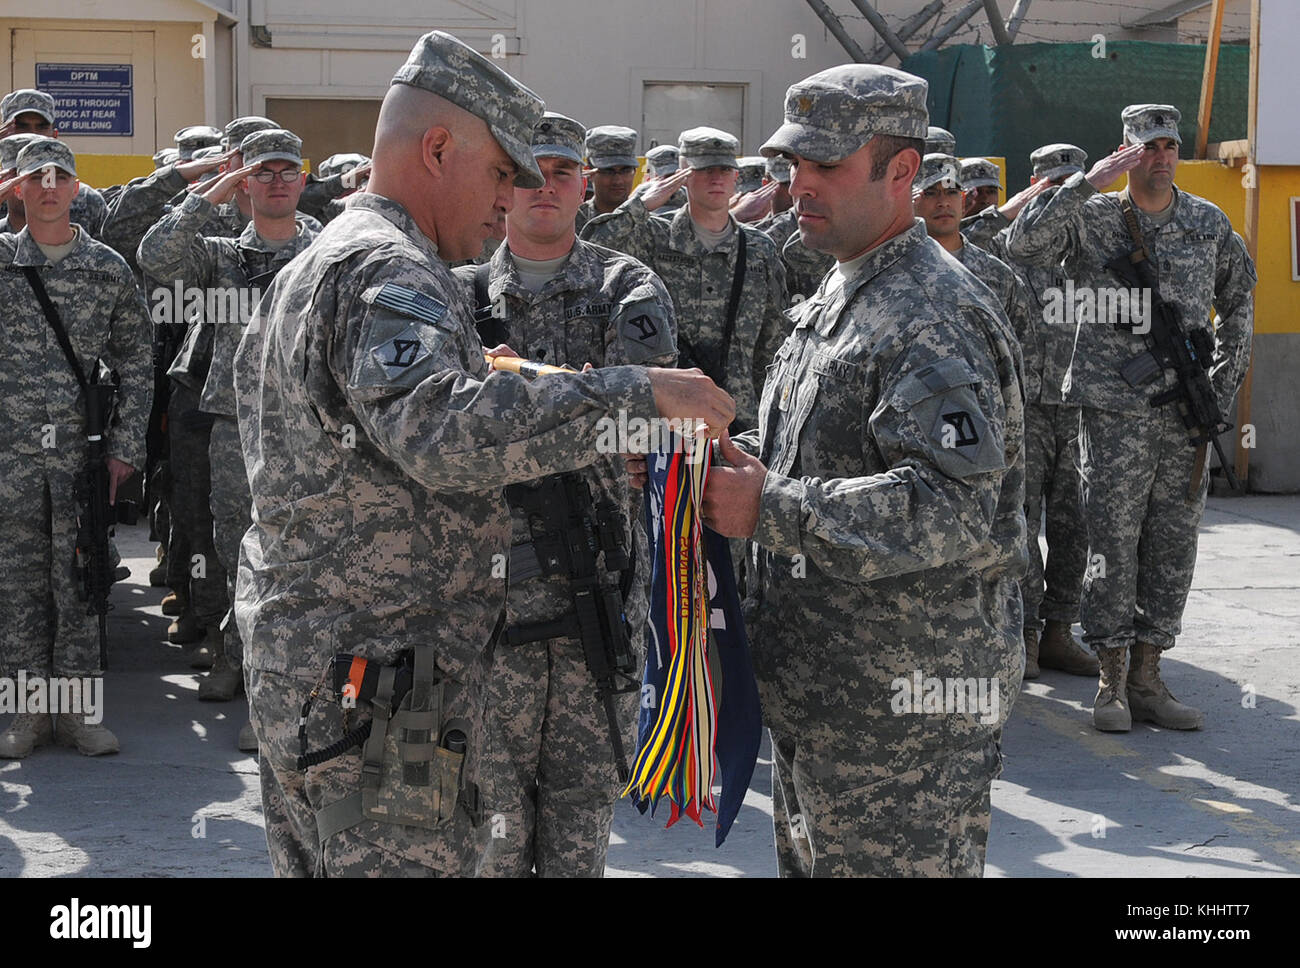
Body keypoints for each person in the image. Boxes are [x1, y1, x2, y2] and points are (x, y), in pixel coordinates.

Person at [232, 30, 732, 877]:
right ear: (436, 149)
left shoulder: (319, 262)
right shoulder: (385, 270)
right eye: (502, 173)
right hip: (387, 690)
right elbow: (442, 430)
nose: (510, 201)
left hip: (321, 669)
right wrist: (640, 393)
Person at [693, 64, 1026, 877]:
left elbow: (953, 508)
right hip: (825, 703)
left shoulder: (930, 313)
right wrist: (722, 468)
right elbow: (814, 459)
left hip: (902, 726)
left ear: (902, 171)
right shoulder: (843, 293)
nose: (798, 184)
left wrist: (768, 507)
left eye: (828, 165)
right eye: (792, 164)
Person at [452, 112, 676, 877]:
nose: (546, 187)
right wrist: (582, 400)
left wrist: (510, 386)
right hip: (487, 591)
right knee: (490, 813)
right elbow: (436, 431)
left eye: (564, 172)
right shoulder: (457, 291)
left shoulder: (629, 286)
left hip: (595, 584)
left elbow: (642, 419)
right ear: (505, 187)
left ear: (587, 186)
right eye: (530, 171)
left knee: (581, 816)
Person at [1007, 104, 1255, 732]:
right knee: (1111, 543)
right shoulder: (1091, 218)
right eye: (1148, 146)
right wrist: (1084, 182)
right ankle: (1110, 683)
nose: (1161, 156)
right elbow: (1023, 243)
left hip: (1185, 417)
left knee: (1173, 544)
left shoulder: (1206, 221)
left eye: (1169, 144)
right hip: (1112, 410)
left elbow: (1239, 303)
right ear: (1126, 150)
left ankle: (1149, 676)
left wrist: (1220, 392)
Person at [139, 129, 318, 752]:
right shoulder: (217, 256)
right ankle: (231, 654)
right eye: (261, 172)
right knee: (228, 541)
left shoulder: (323, 248)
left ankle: (281, 674)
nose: (273, 181)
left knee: (295, 547)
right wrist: (209, 191)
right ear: (245, 182)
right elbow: (156, 257)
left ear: (302, 179)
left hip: (304, 422)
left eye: (285, 171)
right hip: (232, 418)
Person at [0, 138, 150, 757]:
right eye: (37, 177)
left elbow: (138, 362)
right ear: (18, 188)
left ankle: (80, 714)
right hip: (9, 455)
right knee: (18, 584)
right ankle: (28, 716)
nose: (50, 187)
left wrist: (124, 447)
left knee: (83, 580)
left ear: (78, 187)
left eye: (62, 176)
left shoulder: (106, 268)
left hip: (79, 457)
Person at [963, 143, 1099, 678]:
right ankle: (1029, 632)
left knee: (1075, 525)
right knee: (1020, 522)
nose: (1066, 193)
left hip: (1080, 402)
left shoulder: (1097, 240)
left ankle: (1064, 627)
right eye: (1054, 183)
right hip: (1023, 408)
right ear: (1036, 184)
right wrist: (1020, 205)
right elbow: (962, 241)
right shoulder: (1002, 241)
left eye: (1073, 182)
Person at [582, 125, 787, 431]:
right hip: (667, 416)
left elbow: (772, 340)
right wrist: (641, 206)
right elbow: (590, 250)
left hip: (739, 418)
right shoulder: (654, 236)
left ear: (735, 177)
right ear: (684, 176)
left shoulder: (759, 248)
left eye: (724, 169)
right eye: (705, 170)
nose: (716, 178)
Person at [0, 90, 107, 238]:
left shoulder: (86, 201)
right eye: (22, 127)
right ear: (4, 134)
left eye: (42, 127)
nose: (34, 134)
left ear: (55, 136)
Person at [576, 124, 638, 233]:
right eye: (608, 171)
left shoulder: (653, 228)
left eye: (625, 170)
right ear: (589, 171)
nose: (618, 181)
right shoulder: (571, 222)